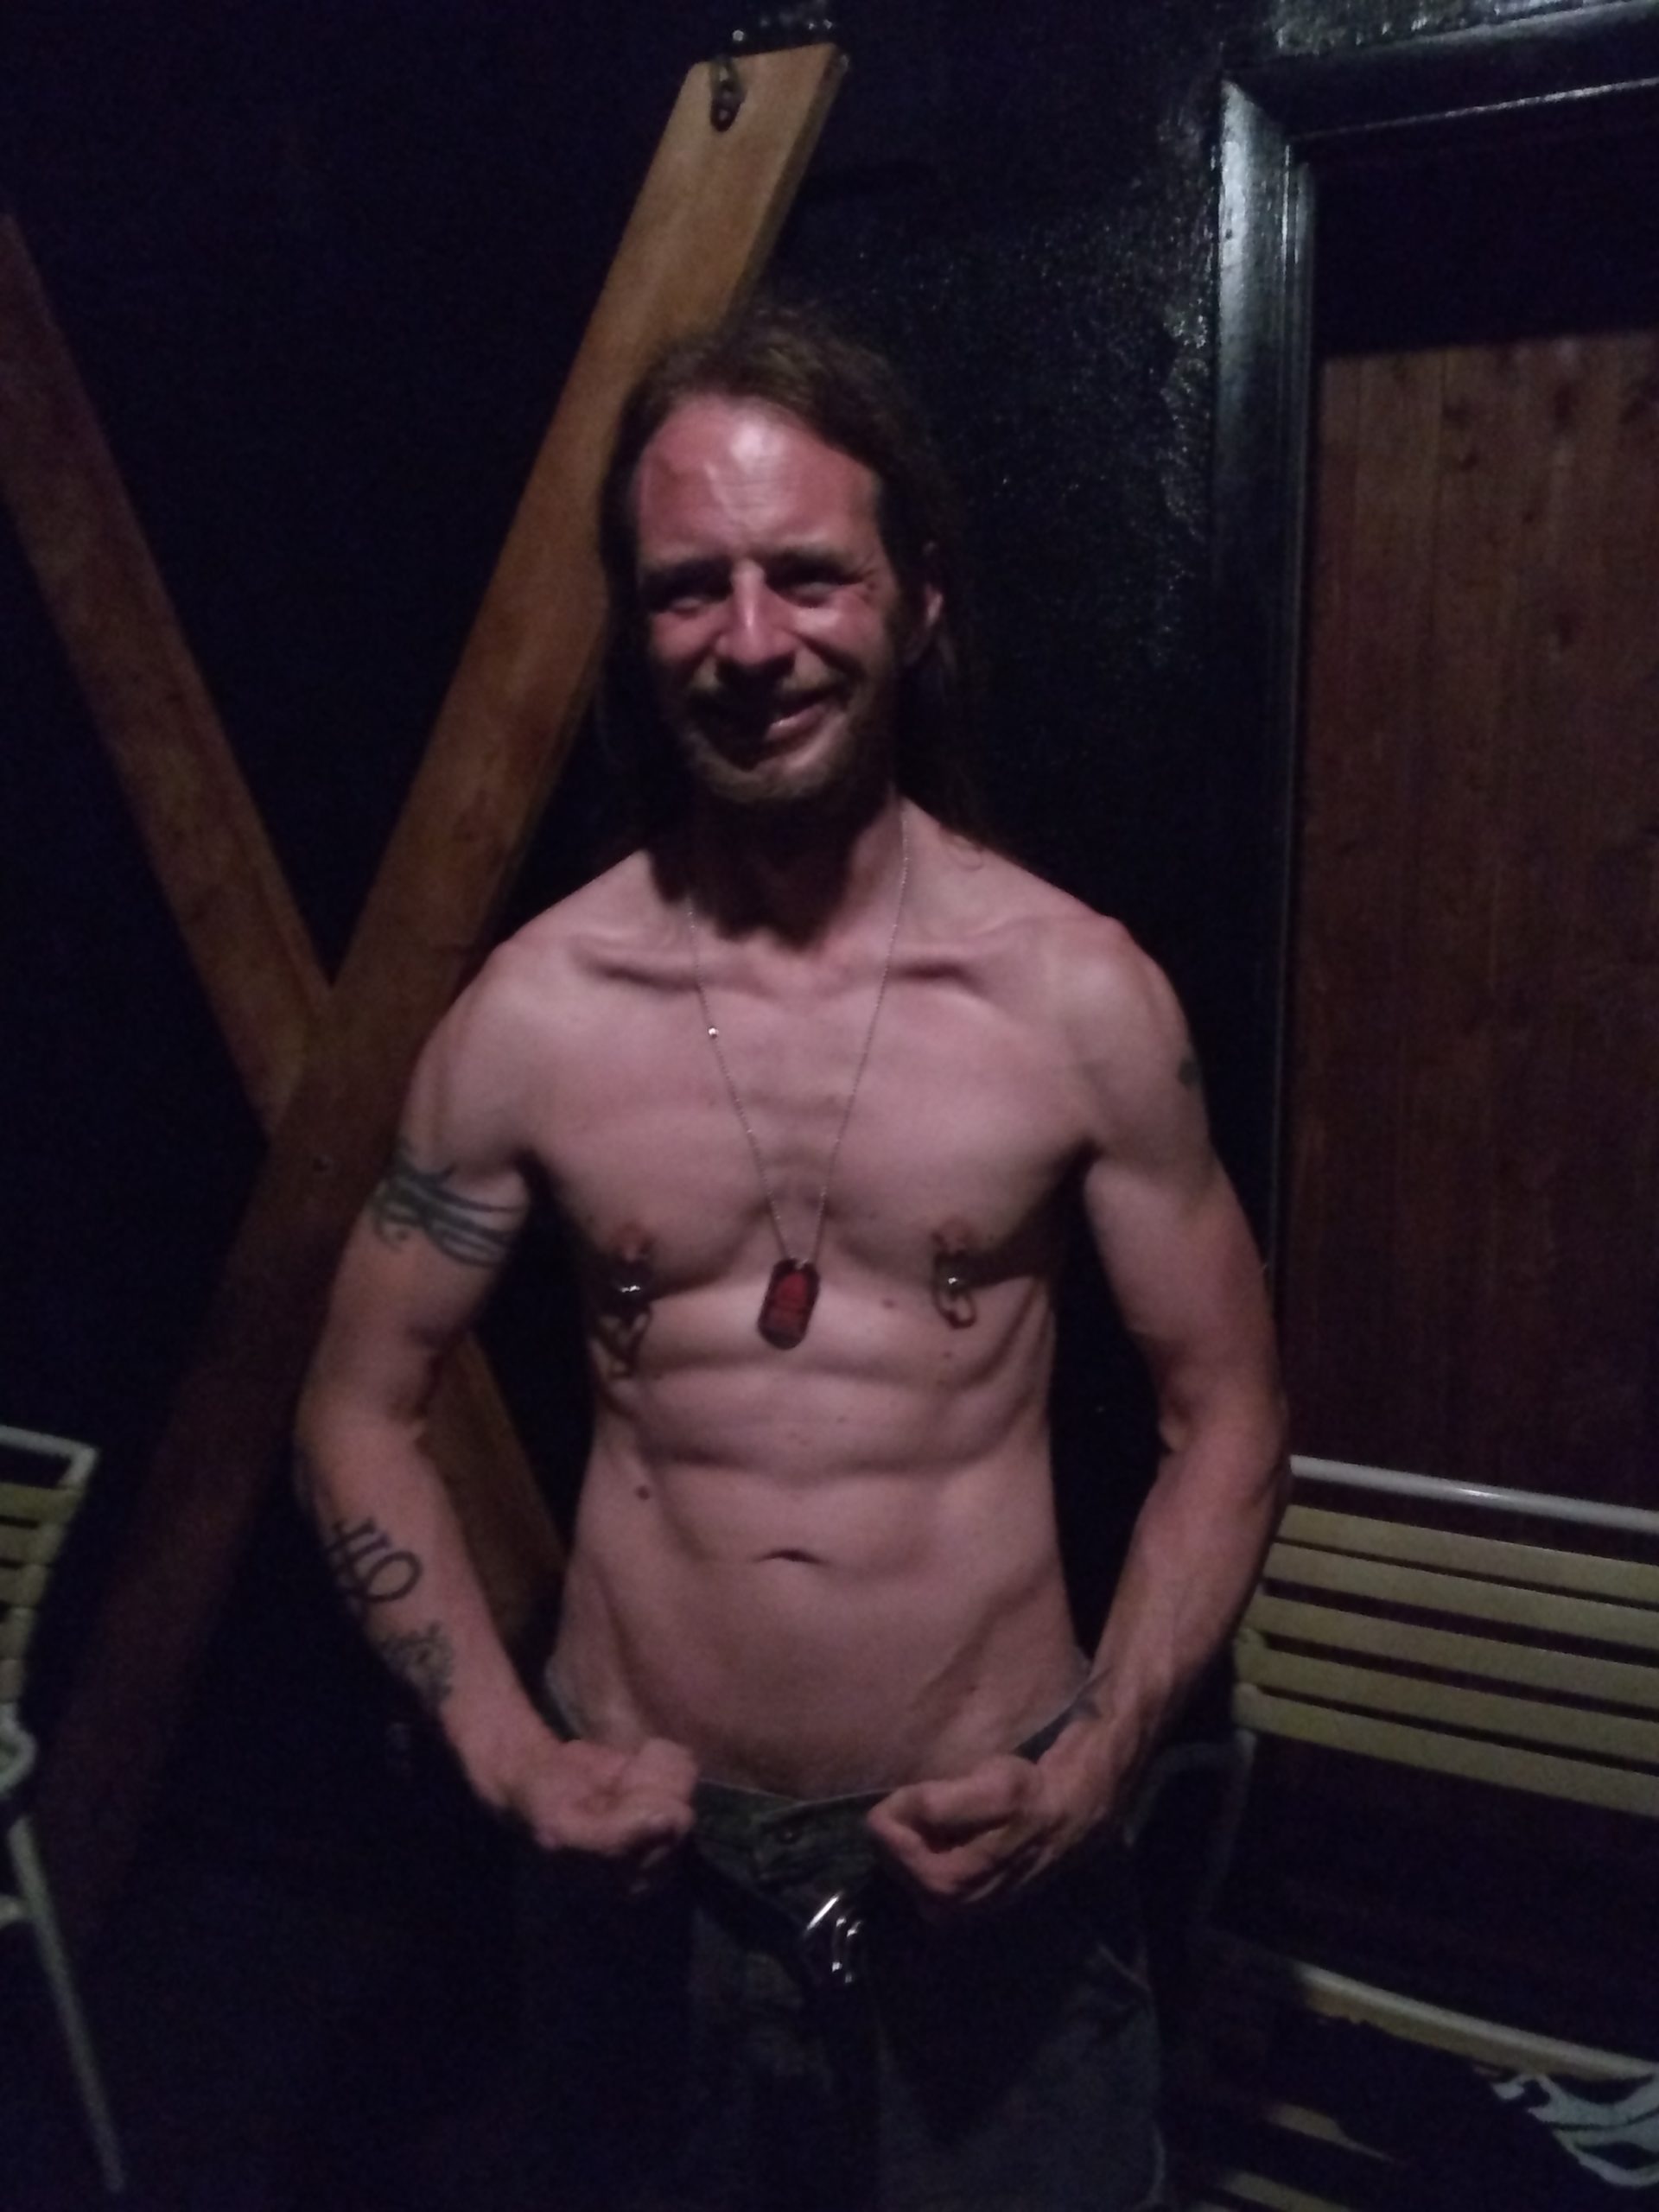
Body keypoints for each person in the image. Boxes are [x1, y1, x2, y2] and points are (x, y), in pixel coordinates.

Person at [296, 303, 1287, 2211]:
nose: (752, 643)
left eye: (808, 574)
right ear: (636, 625)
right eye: (692, 588)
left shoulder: (1077, 997)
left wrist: (1094, 1772)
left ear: (919, 600)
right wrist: (506, 1755)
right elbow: (357, 1404)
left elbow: (1229, 1409)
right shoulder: (533, 1016)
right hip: (638, 1865)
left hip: (989, 1845)